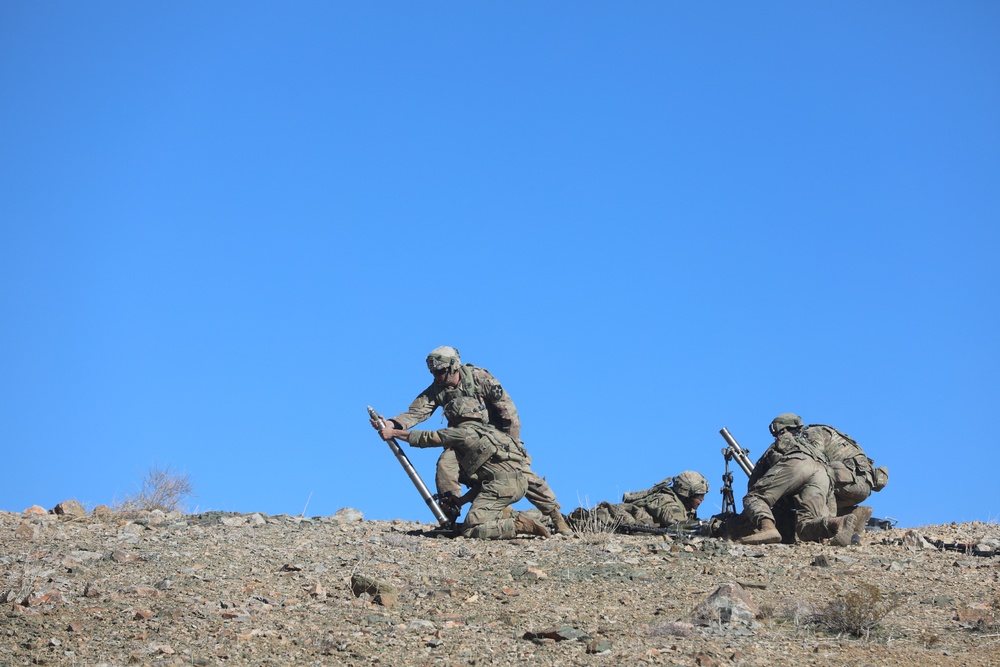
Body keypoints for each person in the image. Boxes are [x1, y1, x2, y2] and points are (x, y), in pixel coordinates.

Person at [372, 346, 572, 535]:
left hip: (495, 437)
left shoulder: (480, 378)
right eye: (433, 373)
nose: (436, 376)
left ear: (453, 367)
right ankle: (449, 513)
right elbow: (417, 412)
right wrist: (392, 424)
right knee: (446, 465)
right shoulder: (437, 388)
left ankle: (556, 517)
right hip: (461, 439)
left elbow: (507, 411)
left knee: (520, 472)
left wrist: (513, 445)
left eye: (440, 371)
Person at [380, 397, 551, 539]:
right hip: (519, 483)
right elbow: (487, 479)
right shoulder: (494, 433)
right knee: (485, 512)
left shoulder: (462, 432)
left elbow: (429, 437)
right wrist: (461, 501)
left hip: (500, 487)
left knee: (470, 530)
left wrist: (393, 433)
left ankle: (516, 525)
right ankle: (528, 518)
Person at [740, 413, 856, 546]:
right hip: (823, 472)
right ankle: (838, 523)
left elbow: (755, 480)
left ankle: (768, 528)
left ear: (782, 430)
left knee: (753, 497)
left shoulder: (783, 442)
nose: (775, 437)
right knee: (804, 526)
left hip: (797, 464)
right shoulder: (813, 447)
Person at [798, 420, 889, 541]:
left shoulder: (810, 433)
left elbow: (815, 458)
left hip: (846, 481)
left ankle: (829, 527)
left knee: (817, 479)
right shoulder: (830, 432)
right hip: (863, 485)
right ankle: (855, 513)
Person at [567, 471, 709, 532]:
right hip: (606, 519)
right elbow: (677, 525)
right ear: (686, 493)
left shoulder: (680, 503)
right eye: (699, 496)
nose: (702, 500)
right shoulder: (666, 501)